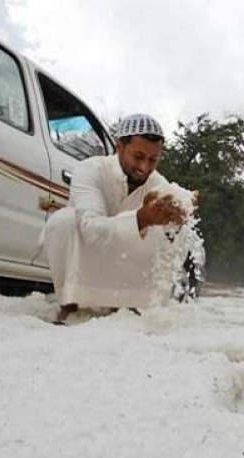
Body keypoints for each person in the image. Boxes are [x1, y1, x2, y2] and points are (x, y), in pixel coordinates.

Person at [42, 113, 194, 323]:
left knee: (174, 233)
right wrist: (141, 219)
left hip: (126, 271)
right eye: (138, 157)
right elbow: (91, 230)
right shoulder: (90, 170)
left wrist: (179, 218)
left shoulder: (159, 184)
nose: (145, 168)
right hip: (88, 260)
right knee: (63, 221)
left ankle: (131, 303)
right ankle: (70, 302)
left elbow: (173, 243)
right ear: (119, 146)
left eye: (153, 160)